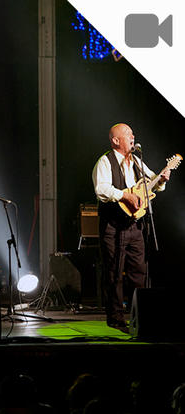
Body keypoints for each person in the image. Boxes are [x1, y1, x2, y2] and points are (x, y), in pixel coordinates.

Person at [92, 123, 170, 329]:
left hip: (135, 226)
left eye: (133, 134)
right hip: (112, 226)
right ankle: (116, 319)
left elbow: (152, 184)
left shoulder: (136, 160)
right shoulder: (105, 161)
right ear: (116, 140)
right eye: (128, 134)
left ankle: (140, 317)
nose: (132, 137)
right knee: (114, 272)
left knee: (139, 271)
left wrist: (161, 180)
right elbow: (101, 189)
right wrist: (125, 195)